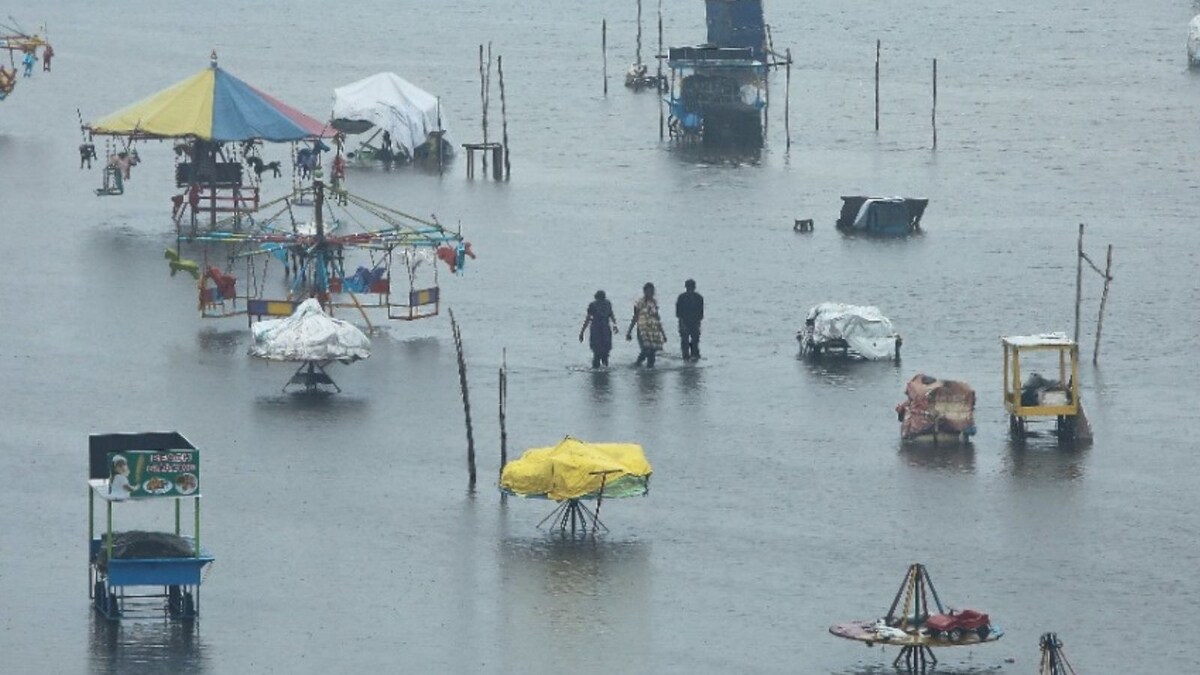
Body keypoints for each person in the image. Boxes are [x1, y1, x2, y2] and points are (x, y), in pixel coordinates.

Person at [626, 282, 667, 367]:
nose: (650, 293)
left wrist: (663, 334)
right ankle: (637, 364)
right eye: (648, 291)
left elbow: (657, 318)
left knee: (653, 351)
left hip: (653, 330)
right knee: (646, 349)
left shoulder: (654, 303)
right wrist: (629, 332)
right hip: (642, 330)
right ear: (644, 292)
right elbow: (635, 317)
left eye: (652, 291)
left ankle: (650, 371)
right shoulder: (639, 302)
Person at [579, 290, 619, 368]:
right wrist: (615, 325)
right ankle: (605, 370)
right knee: (605, 353)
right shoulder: (608, 304)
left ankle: (596, 370)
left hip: (596, 330)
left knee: (596, 353)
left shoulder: (593, 305)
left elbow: (587, 319)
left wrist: (582, 332)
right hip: (605, 330)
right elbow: (612, 316)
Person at [675, 279, 704, 360]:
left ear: (694, 288)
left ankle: (695, 354)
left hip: (695, 322)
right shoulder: (681, 297)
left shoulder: (699, 298)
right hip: (684, 321)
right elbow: (678, 313)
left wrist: (698, 323)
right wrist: (682, 324)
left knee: (695, 339)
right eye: (688, 288)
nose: (690, 289)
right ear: (686, 288)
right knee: (684, 340)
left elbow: (701, 312)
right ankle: (685, 356)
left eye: (691, 287)